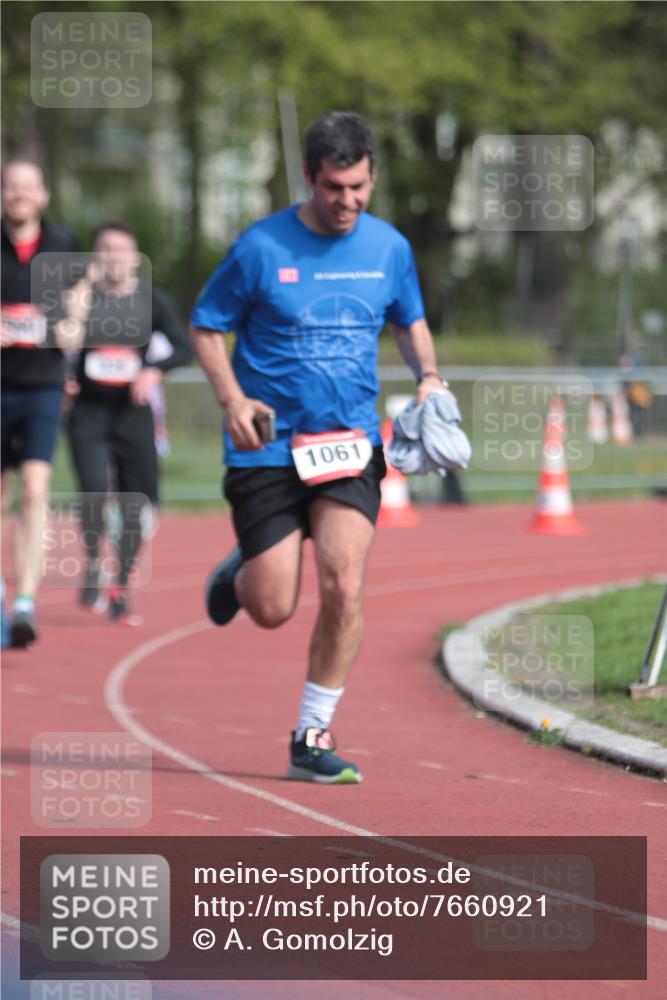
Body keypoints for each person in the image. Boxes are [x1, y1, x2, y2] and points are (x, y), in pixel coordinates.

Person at [191, 111, 446, 783]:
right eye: (334, 188)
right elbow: (205, 326)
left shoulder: (388, 247)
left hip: (349, 443)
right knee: (273, 608)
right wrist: (231, 399)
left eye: (360, 187)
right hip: (267, 449)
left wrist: (428, 377)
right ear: (309, 177)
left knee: (344, 586)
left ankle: (310, 735)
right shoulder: (259, 248)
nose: (348, 202)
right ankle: (241, 571)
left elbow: (408, 320)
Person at [64, 221, 191, 624]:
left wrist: (153, 370)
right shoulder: (80, 298)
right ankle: (91, 564)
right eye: (104, 248)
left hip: (132, 414)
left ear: (135, 259)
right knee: (93, 489)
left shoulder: (152, 301)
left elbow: (183, 347)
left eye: (121, 249)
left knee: (139, 503)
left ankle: (120, 588)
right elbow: (62, 339)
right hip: (88, 412)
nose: (112, 256)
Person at [1, 160, 81, 648]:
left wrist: (71, 330)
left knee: (34, 491)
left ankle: (25, 601)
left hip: (42, 385)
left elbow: (80, 306)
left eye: (27, 187)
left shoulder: (63, 244)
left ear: (43, 194)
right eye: (10, 187)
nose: (18, 194)